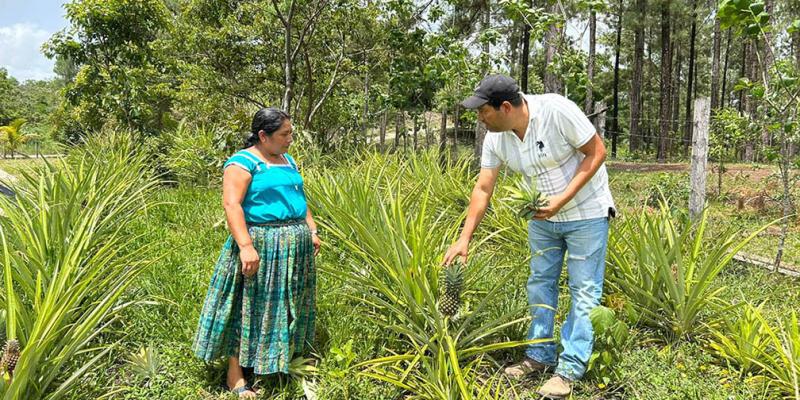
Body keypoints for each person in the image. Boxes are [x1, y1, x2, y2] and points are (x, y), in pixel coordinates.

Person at [443, 74, 615, 399]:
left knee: (584, 290)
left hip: (587, 215)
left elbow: (597, 152)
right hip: (542, 219)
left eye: (483, 111)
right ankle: (539, 355)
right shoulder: (496, 138)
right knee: (540, 283)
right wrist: (464, 238)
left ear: (506, 108)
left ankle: (569, 370)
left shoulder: (556, 111)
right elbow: (483, 188)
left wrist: (561, 200)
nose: (479, 118)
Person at [193, 108, 320, 399]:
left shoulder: (287, 160)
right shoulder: (242, 163)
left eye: (290, 133)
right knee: (248, 305)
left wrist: (311, 230)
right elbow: (232, 205)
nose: (290, 139)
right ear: (263, 135)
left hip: (294, 246)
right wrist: (246, 247)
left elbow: (299, 197)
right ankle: (235, 374)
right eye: (284, 134)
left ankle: (276, 360)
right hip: (261, 244)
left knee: (287, 304)